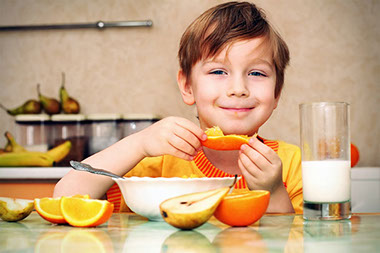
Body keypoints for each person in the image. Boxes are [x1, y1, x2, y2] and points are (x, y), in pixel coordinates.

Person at [54, 1, 303, 214]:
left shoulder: (292, 163)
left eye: (257, 73)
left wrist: (272, 190)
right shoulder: (159, 162)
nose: (238, 88)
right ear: (187, 87)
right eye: (218, 71)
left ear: (277, 93)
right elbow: (66, 198)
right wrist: (138, 144)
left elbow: (303, 239)